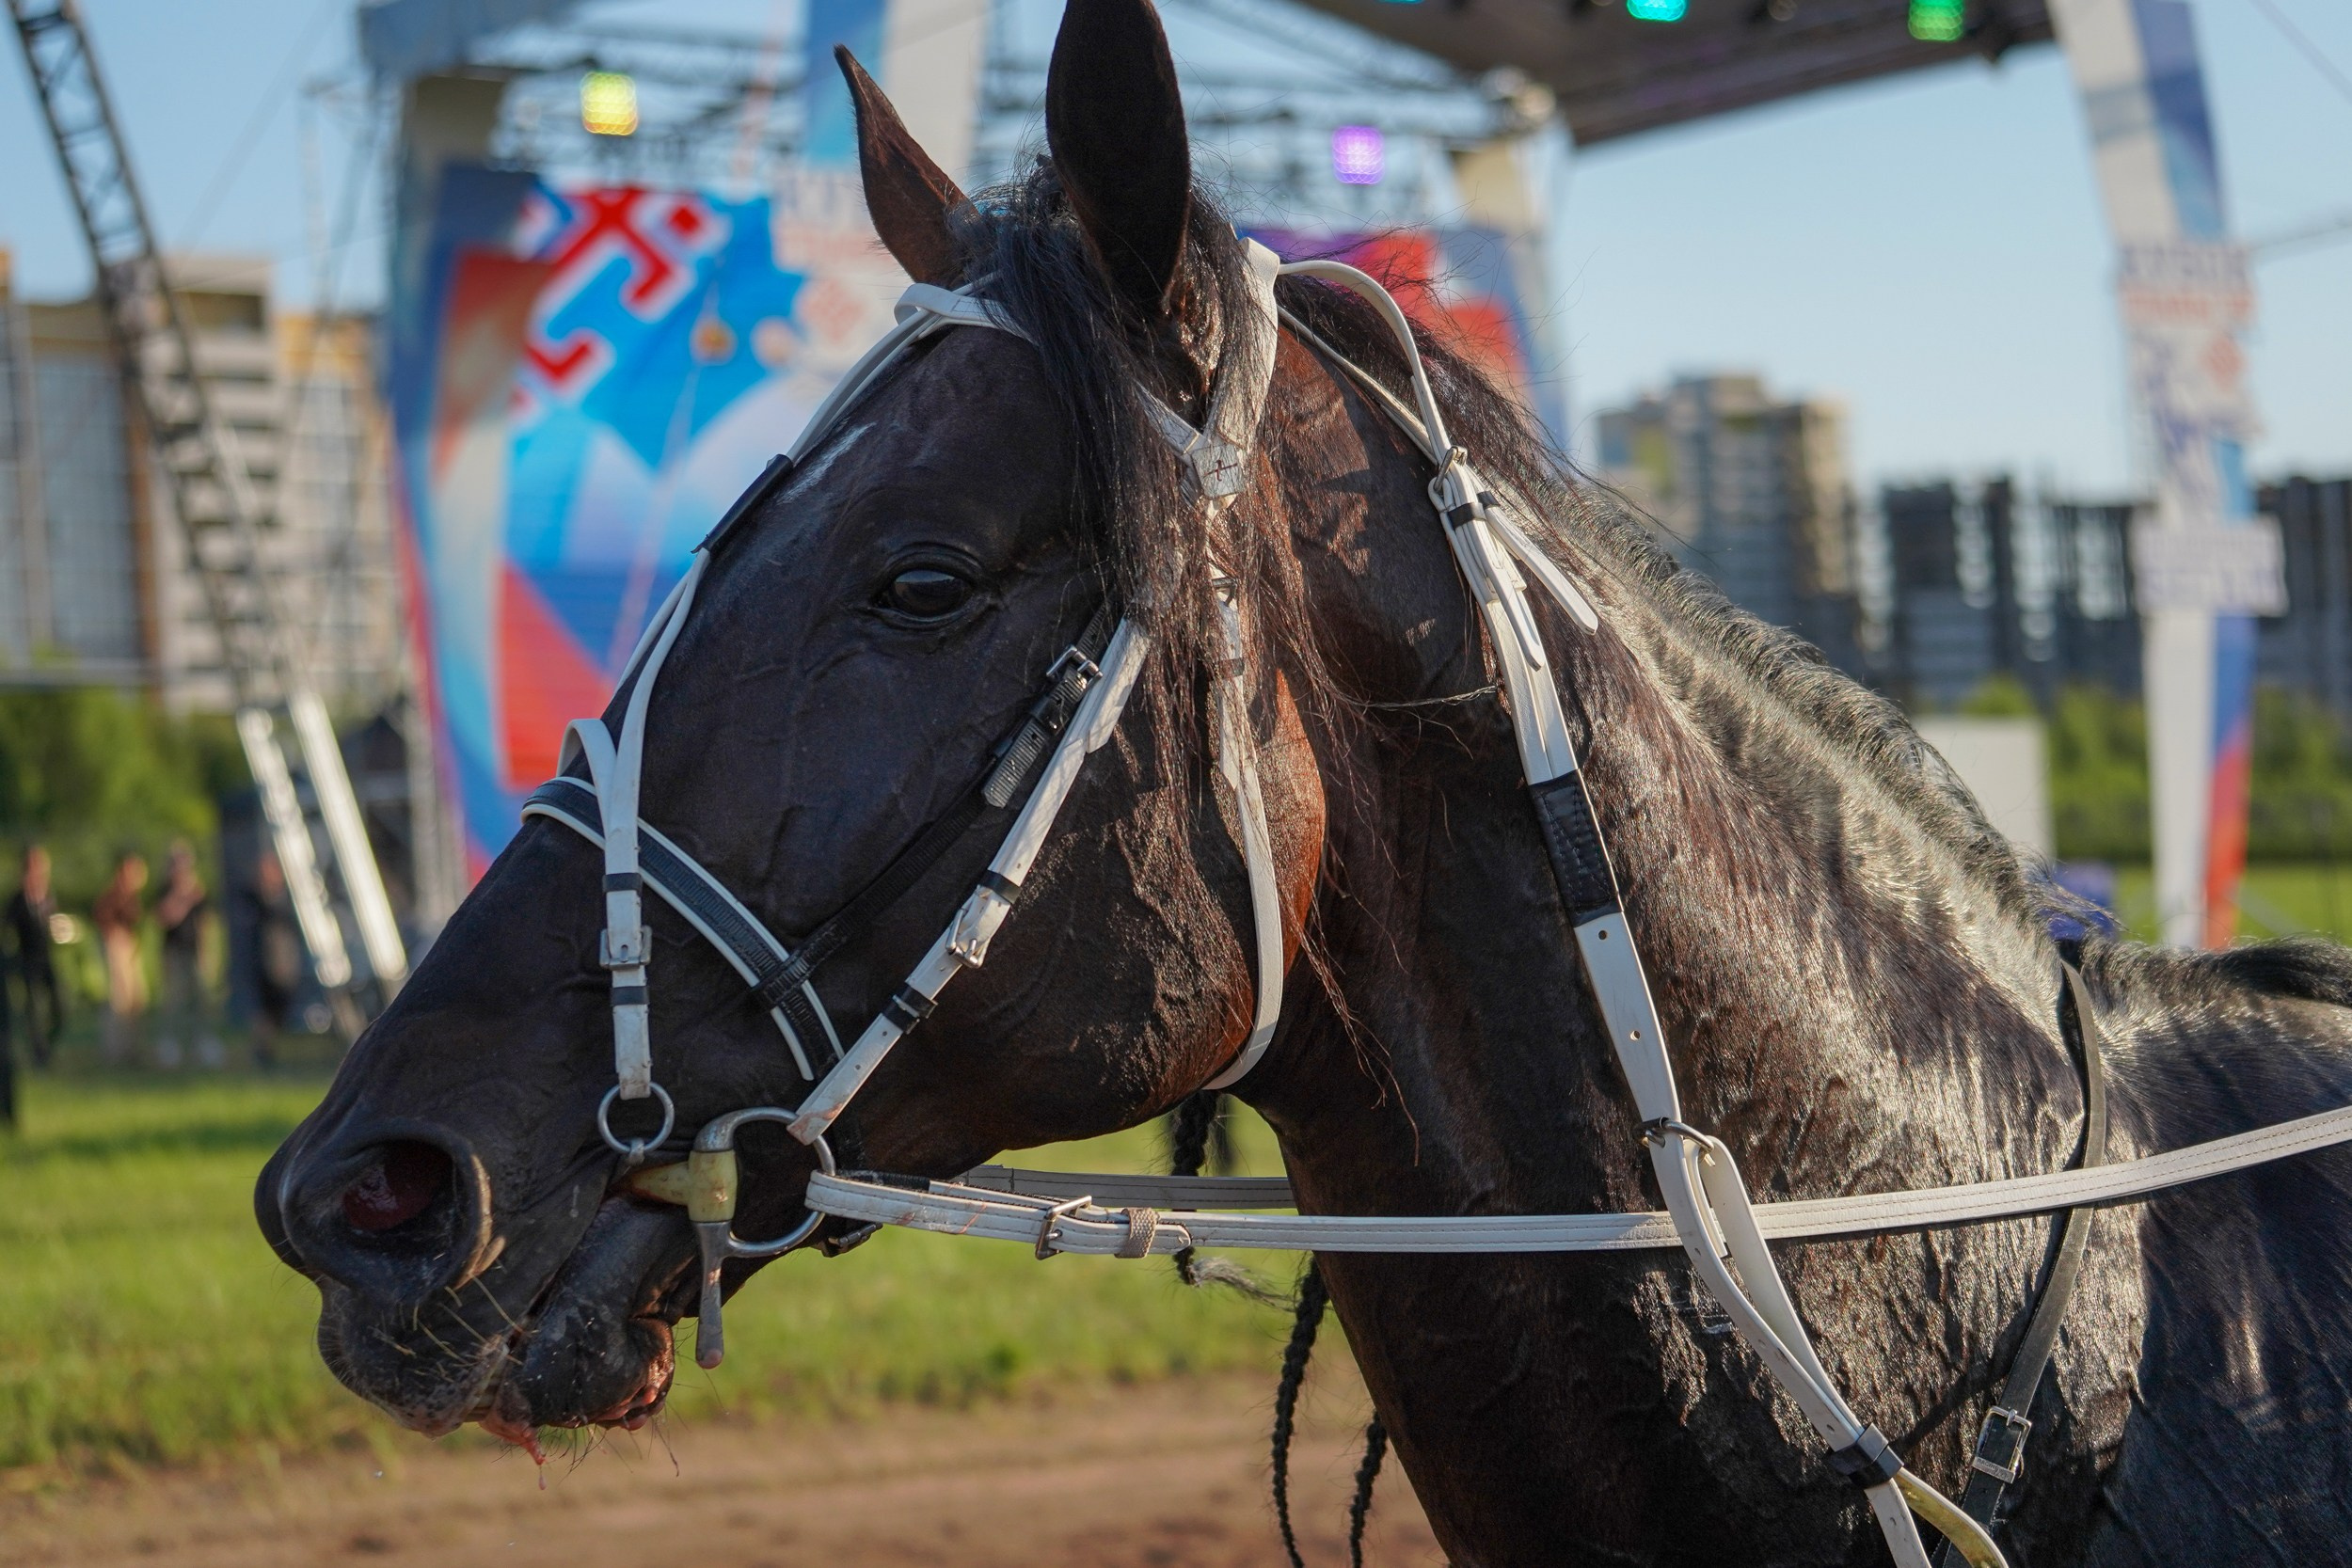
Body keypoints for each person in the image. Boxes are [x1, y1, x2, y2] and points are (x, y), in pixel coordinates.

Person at [153, 841, 216, 1069]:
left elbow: (205, 922)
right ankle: (170, 1046)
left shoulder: (198, 890)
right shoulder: (165, 890)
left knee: (201, 999)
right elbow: (166, 917)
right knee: (173, 999)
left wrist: (206, 952)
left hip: (194, 950)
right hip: (173, 951)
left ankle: (203, 1042)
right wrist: (182, 896)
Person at [7, 845, 63, 1069]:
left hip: (47, 958)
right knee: (33, 1010)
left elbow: (53, 924)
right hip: (27, 959)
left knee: (60, 1005)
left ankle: (47, 1044)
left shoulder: (47, 895)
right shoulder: (18, 900)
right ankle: (39, 1056)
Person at [244, 851, 301, 1070]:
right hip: (263, 964)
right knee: (264, 1012)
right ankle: (263, 1053)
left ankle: (275, 1049)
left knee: (281, 1009)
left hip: (285, 963)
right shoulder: (253, 900)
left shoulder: (288, 900)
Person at [91, 850, 149, 1067]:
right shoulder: (112, 895)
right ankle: (116, 1051)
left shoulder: (130, 897)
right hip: (116, 947)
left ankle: (132, 1049)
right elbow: (102, 919)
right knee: (119, 1001)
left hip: (131, 948)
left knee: (137, 1000)